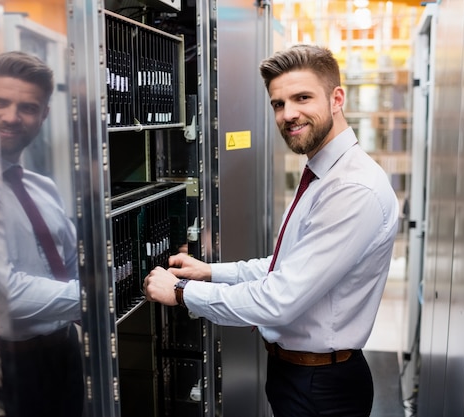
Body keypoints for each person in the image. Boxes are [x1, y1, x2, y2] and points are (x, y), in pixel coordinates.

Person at [143, 44, 399, 417]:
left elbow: (280, 298)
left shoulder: (351, 188)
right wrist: (211, 272)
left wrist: (183, 292)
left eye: (302, 98)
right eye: (278, 104)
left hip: (321, 388)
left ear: (336, 98)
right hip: (298, 374)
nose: (288, 114)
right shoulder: (323, 172)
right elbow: (288, 266)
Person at [0, 51, 83, 417]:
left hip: (65, 349)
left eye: (27, 107)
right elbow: (8, 297)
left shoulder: (42, 187)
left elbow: (74, 262)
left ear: (43, 116)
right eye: (0, 103)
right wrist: (97, 300)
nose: (11, 117)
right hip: (11, 365)